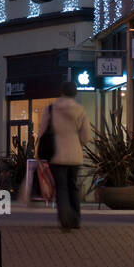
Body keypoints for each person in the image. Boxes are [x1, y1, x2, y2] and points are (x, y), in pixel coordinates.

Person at [37, 82, 92, 231]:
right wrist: (77, 141)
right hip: (75, 154)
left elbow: (42, 131)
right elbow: (87, 136)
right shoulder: (80, 110)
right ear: (75, 94)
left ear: (61, 92)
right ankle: (76, 219)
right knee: (73, 186)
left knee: (61, 187)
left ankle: (65, 218)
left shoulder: (51, 109)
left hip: (56, 154)